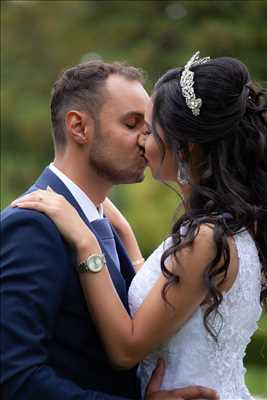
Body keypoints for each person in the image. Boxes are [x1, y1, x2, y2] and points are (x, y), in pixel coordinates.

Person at [12, 52, 267, 398]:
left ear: (185, 145)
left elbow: (128, 345)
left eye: (150, 129)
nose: (145, 140)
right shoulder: (33, 226)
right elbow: (14, 377)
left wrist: (90, 243)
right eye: (133, 125)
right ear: (78, 127)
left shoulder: (203, 236)